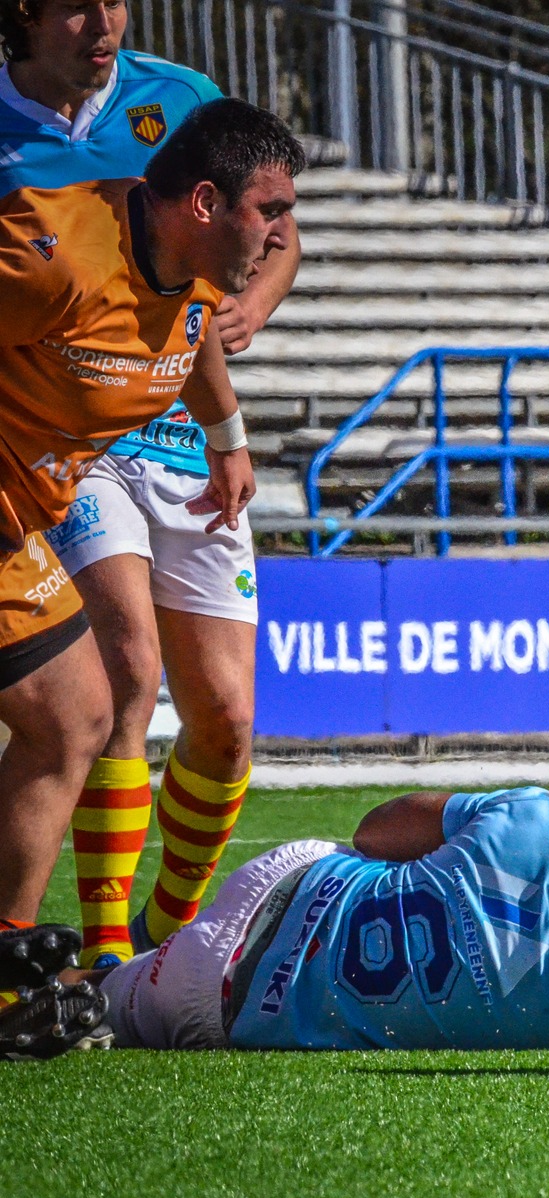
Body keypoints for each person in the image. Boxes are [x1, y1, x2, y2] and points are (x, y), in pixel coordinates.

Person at [0, 0, 302, 970]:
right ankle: (93, 960)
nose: (106, 22)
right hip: (53, 479)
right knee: (111, 687)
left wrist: (227, 435)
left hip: (133, 446)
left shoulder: (185, 122)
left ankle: (155, 944)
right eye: (79, 4)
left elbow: (188, 316)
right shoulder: (49, 251)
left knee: (211, 717)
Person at [0, 763, 549, 1057]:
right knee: (123, 1016)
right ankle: (93, 993)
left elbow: (376, 829)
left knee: (119, 988)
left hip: (294, 878)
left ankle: (84, 974)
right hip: (237, 999)